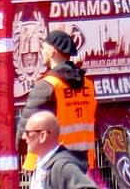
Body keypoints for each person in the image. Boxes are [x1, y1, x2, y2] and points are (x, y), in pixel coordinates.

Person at [19, 29, 98, 171]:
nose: (41, 52)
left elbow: (28, 124)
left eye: (43, 47)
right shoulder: (88, 85)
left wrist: (19, 147)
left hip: (53, 163)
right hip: (82, 163)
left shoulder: (47, 85)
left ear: (53, 51)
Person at [23, 111, 98, 189]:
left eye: (28, 133)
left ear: (43, 136)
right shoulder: (42, 165)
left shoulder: (61, 166)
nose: (24, 137)